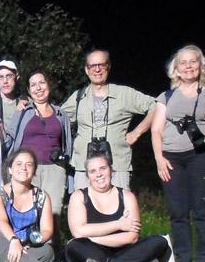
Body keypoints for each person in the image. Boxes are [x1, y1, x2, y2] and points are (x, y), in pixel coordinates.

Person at [150, 45, 205, 262]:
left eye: (193, 61)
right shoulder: (166, 97)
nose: (188, 66)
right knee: (178, 211)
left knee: (202, 209)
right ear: (176, 69)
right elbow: (156, 130)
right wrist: (159, 159)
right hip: (171, 158)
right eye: (183, 62)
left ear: (201, 66)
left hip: (201, 156)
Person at [65, 147, 170, 262]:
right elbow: (79, 232)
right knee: (74, 245)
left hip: (125, 251)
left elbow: (132, 237)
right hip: (92, 251)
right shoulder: (79, 196)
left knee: (159, 241)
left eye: (103, 168)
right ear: (88, 176)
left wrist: (92, 238)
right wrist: (119, 224)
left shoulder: (127, 196)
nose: (98, 174)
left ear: (111, 170)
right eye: (92, 171)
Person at [61, 49, 156, 190]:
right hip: (84, 167)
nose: (97, 69)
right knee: (82, 203)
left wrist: (137, 132)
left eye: (101, 65)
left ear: (108, 67)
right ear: (87, 70)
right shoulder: (78, 97)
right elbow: (57, 118)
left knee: (119, 203)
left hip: (116, 166)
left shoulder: (124, 94)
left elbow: (156, 106)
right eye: (92, 66)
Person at [6, 69, 72, 236]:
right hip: (27, 169)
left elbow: (67, 145)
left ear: (49, 85)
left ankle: (51, 249)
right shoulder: (22, 111)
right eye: (33, 85)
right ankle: (23, 247)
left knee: (53, 214)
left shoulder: (61, 114)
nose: (38, 88)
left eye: (42, 82)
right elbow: (10, 139)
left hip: (54, 170)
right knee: (26, 212)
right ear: (29, 90)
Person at [0, 148, 63, 262]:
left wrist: (31, 243)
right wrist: (14, 241)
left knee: (47, 251)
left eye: (29, 164)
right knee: (2, 245)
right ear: (10, 169)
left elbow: (47, 230)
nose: (24, 168)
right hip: (3, 241)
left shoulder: (42, 196)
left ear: (34, 170)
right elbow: (1, 222)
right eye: (19, 164)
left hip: (28, 244)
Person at [0, 59, 27, 133]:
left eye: (9, 76)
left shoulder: (26, 102)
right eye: (1, 77)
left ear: (17, 77)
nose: (5, 81)